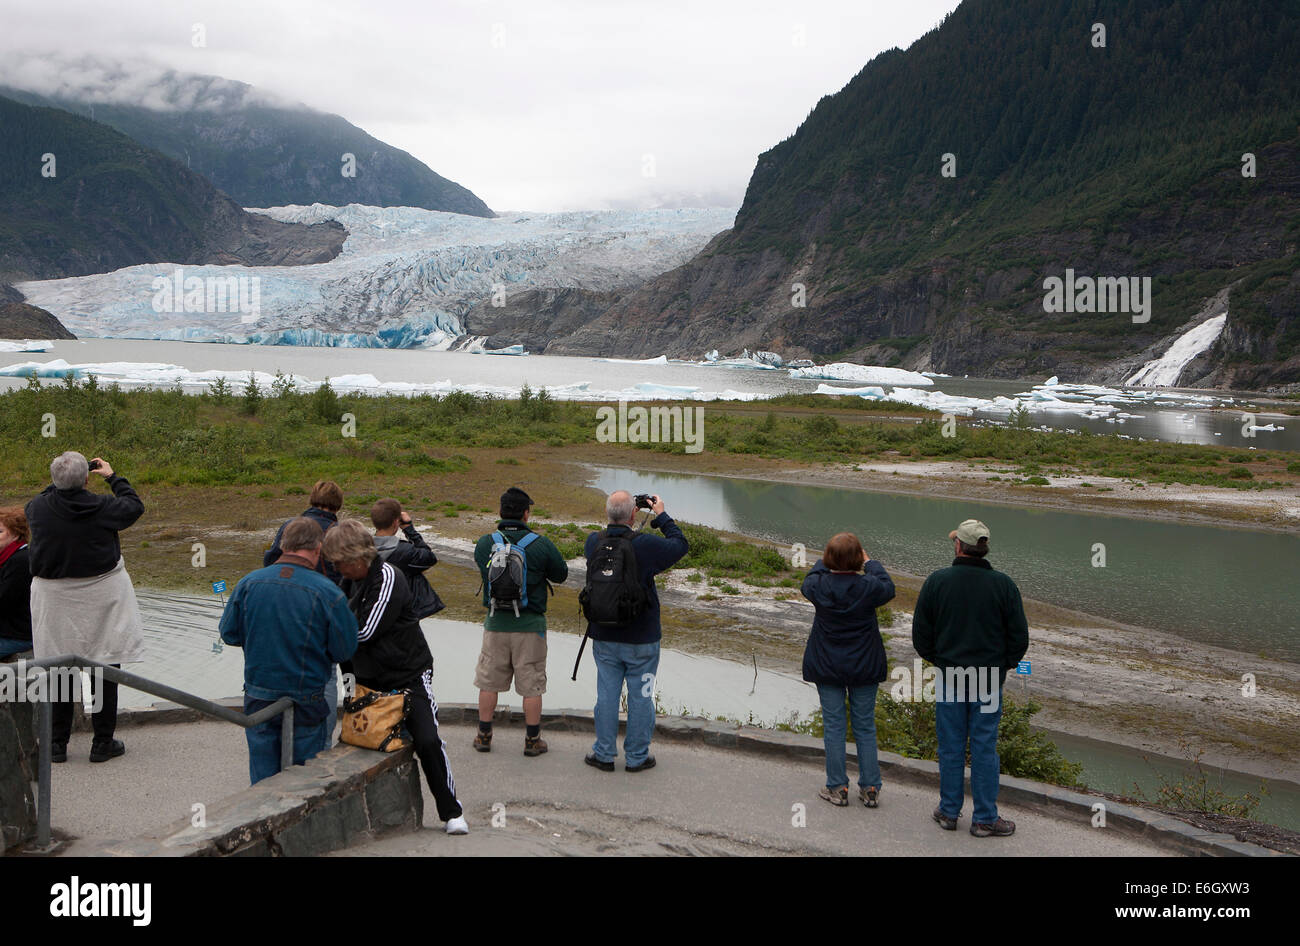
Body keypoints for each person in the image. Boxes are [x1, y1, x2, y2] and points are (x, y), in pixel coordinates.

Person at [323, 519, 468, 835]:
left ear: (357, 557)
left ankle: (451, 812)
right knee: (353, 741)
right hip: (365, 679)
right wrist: (350, 692)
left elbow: (363, 632)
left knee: (428, 740)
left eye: (338, 563)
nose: (336, 569)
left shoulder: (389, 577)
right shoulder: (346, 582)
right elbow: (344, 643)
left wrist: (331, 634)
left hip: (409, 675)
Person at [912, 519, 1029, 838]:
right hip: (988, 679)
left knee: (950, 746)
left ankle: (949, 812)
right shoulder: (1003, 585)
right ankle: (984, 819)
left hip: (951, 676)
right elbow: (1019, 637)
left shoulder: (938, 581)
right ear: (983, 549)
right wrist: (1002, 666)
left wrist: (941, 661)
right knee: (984, 748)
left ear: (959, 546)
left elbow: (921, 634)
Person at [26, 452, 145, 764]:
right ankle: (102, 743)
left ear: (53, 482)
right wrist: (112, 476)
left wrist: (64, 479)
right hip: (102, 595)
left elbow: (47, 494)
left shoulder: (37, 508)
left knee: (60, 668)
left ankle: (56, 745)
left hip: (54, 598)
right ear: (87, 479)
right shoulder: (103, 507)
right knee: (105, 665)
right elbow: (134, 505)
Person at [219, 517, 358, 785]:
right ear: (318, 549)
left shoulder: (249, 583)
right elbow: (344, 650)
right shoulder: (329, 592)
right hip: (307, 700)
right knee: (305, 785)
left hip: (259, 697)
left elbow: (228, 633)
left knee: (262, 784)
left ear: (283, 545)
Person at [581, 490, 687, 773]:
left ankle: (603, 754)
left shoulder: (593, 542)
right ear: (633, 515)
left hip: (604, 637)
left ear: (607, 514)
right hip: (643, 640)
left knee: (606, 695)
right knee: (642, 696)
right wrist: (661, 515)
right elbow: (680, 545)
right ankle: (637, 757)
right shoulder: (646, 545)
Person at [471, 487, 568, 756]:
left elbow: (483, 569)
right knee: (532, 684)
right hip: (530, 626)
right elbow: (561, 574)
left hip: (495, 625)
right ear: (526, 513)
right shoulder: (541, 544)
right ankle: (532, 740)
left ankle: (483, 736)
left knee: (488, 682)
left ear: (501, 512)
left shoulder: (484, 543)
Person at [800, 533, 895, 808]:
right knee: (865, 726)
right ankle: (870, 788)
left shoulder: (818, 585)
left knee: (834, 726)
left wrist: (824, 560)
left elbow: (808, 580)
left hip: (827, 664)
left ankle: (837, 786)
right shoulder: (869, 587)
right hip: (864, 665)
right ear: (858, 559)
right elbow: (888, 586)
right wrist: (870, 562)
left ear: (830, 559)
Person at [263, 479, 345, 746]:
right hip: (323, 610)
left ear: (312, 498)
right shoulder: (338, 531)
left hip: (284, 608)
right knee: (327, 676)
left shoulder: (290, 526)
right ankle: (323, 738)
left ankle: (283, 735)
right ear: (338, 504)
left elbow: (270, 562)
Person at [370, 498, 444, 618]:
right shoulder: (405, 551)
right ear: (396, 522)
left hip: (374, 611)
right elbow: (430, 558)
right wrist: (409, 529)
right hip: (403, 615)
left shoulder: (364, 549)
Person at [0, 507, 33, 659]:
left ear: (16, 534)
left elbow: (5, 601)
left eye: (0, 532)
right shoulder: (6, 557)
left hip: (17, 635)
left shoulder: (20, 560)